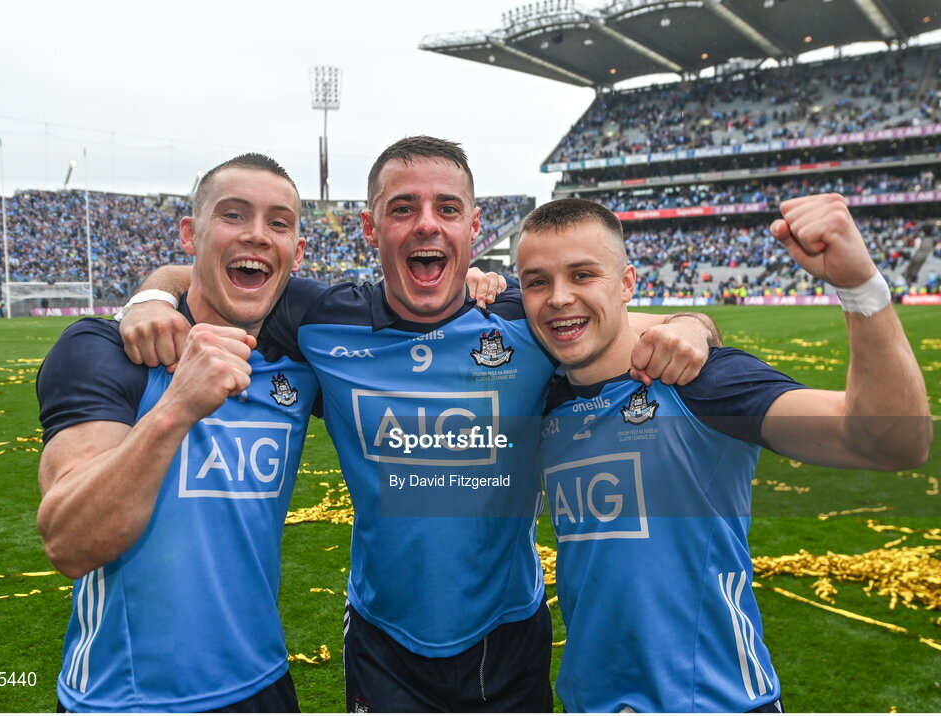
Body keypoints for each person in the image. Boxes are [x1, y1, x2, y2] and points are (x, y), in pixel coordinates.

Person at [117, 136, 720, 712]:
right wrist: (149, 297)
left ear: (473, 229)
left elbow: (652, 327)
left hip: (509, 628)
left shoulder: (527, 317)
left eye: (447, 208)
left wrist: (694, 327)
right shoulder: (320, 320)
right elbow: (213, 271)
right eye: (403, 208)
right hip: (386, 638)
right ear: (371, 228)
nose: (427, 224)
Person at [517, 194, 932, 712]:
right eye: (537, 281)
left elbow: (889, 442)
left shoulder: (702, 382)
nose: (559, 297)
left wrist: (860, 288)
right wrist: (692, 319)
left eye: (583, 274)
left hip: (717, 701)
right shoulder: (542, 395)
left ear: (627, 283)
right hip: (589, 703)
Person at [35, 154, 321, 712]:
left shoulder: (300, 358)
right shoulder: (105, 351)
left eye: (279, 222)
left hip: (265, 683)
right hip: (127, 696)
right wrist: (176, 407)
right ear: (191, 234)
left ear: (297, 252)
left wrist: (487, 285)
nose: (258, 235)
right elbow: (68, 542)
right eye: (234, 216)